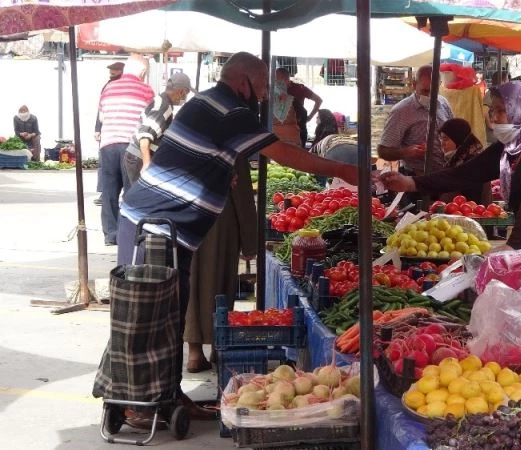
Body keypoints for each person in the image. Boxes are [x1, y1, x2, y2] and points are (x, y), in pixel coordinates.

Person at [116, 52, 357, 423]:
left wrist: (218, 172)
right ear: (242, 81)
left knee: (170, 315)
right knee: (150, 316)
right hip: (156, 225)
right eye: (260, 87)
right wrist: (344, 169)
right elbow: (285, 154)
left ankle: (168, 396)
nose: (263, 97)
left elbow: (197, 155)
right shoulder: (231, 110)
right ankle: (137, 405)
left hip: (161, 223)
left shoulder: (204, 102)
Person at [380, 81, 521, 252]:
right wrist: (411, 183)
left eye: (500, 110)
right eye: (493, 111)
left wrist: (511, 247)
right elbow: (468, 172)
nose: (494, 118)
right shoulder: (513, 144)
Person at [184, 158, 257, 373]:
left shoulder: (185, 131)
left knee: (191, 280)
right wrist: (250, 240)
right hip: (219, 215)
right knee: (221, 279)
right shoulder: (231, 137)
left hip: (186, 213)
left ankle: (194, 352)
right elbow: (241, 193)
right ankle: (219, 345)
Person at [97, 55, 154, 246]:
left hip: (108, 144)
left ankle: (111, 234)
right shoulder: (146, 90)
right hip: (132, 146)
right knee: (131, 191)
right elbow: (150, 122)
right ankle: (129, 232)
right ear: (143, 72)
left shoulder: (108, 88)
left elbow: (102, 116)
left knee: (109, 191)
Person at [378, 65, 454, 176]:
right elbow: (383, 151)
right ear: (414, 85)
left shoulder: (443, 103)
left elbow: (453, 133)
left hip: (445, 174)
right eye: (425, 91)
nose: (430, 96)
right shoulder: (401, 111)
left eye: (434, 91)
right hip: (417, 177)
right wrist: (406, 152)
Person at [122, 72, 194, 189]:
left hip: (136, 156)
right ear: (181, 92)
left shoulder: (161, 101)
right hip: (139, 158)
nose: (185, 98)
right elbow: (145, 136)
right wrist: (146, 163)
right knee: (142, 200)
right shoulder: (164, 107)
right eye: (186, 93)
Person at [437, 118, 490, 204]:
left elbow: (472, 202)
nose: (442, 144)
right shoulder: (456, 160)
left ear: (458, 138)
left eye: (445, 139)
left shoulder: (472, 164)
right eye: (441, 139)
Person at [93, 61, 124, 206]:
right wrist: (97, 128)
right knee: (105, 166)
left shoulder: (124, 86)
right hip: (108, 131)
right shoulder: (107, 86)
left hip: (123, 132)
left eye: (115, 70)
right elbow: (100, 109)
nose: (112, 72)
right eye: (111, 70)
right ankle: (104, 193)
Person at [274, 67, 323, 147]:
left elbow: (318, 100)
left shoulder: (299, 88)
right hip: (279, 130)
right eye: (275, 81)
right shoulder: (273, 90)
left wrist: (310, 117)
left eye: (278, 81)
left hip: (298, 129)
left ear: (287, 80)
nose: (276, 84)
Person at [483, 70, 510, 144]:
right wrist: (490, 125)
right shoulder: (491, 93)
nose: (508, 81)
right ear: (502, 80)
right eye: (507, 79)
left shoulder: (499, 93)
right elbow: (484, 111)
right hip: (492, 137)